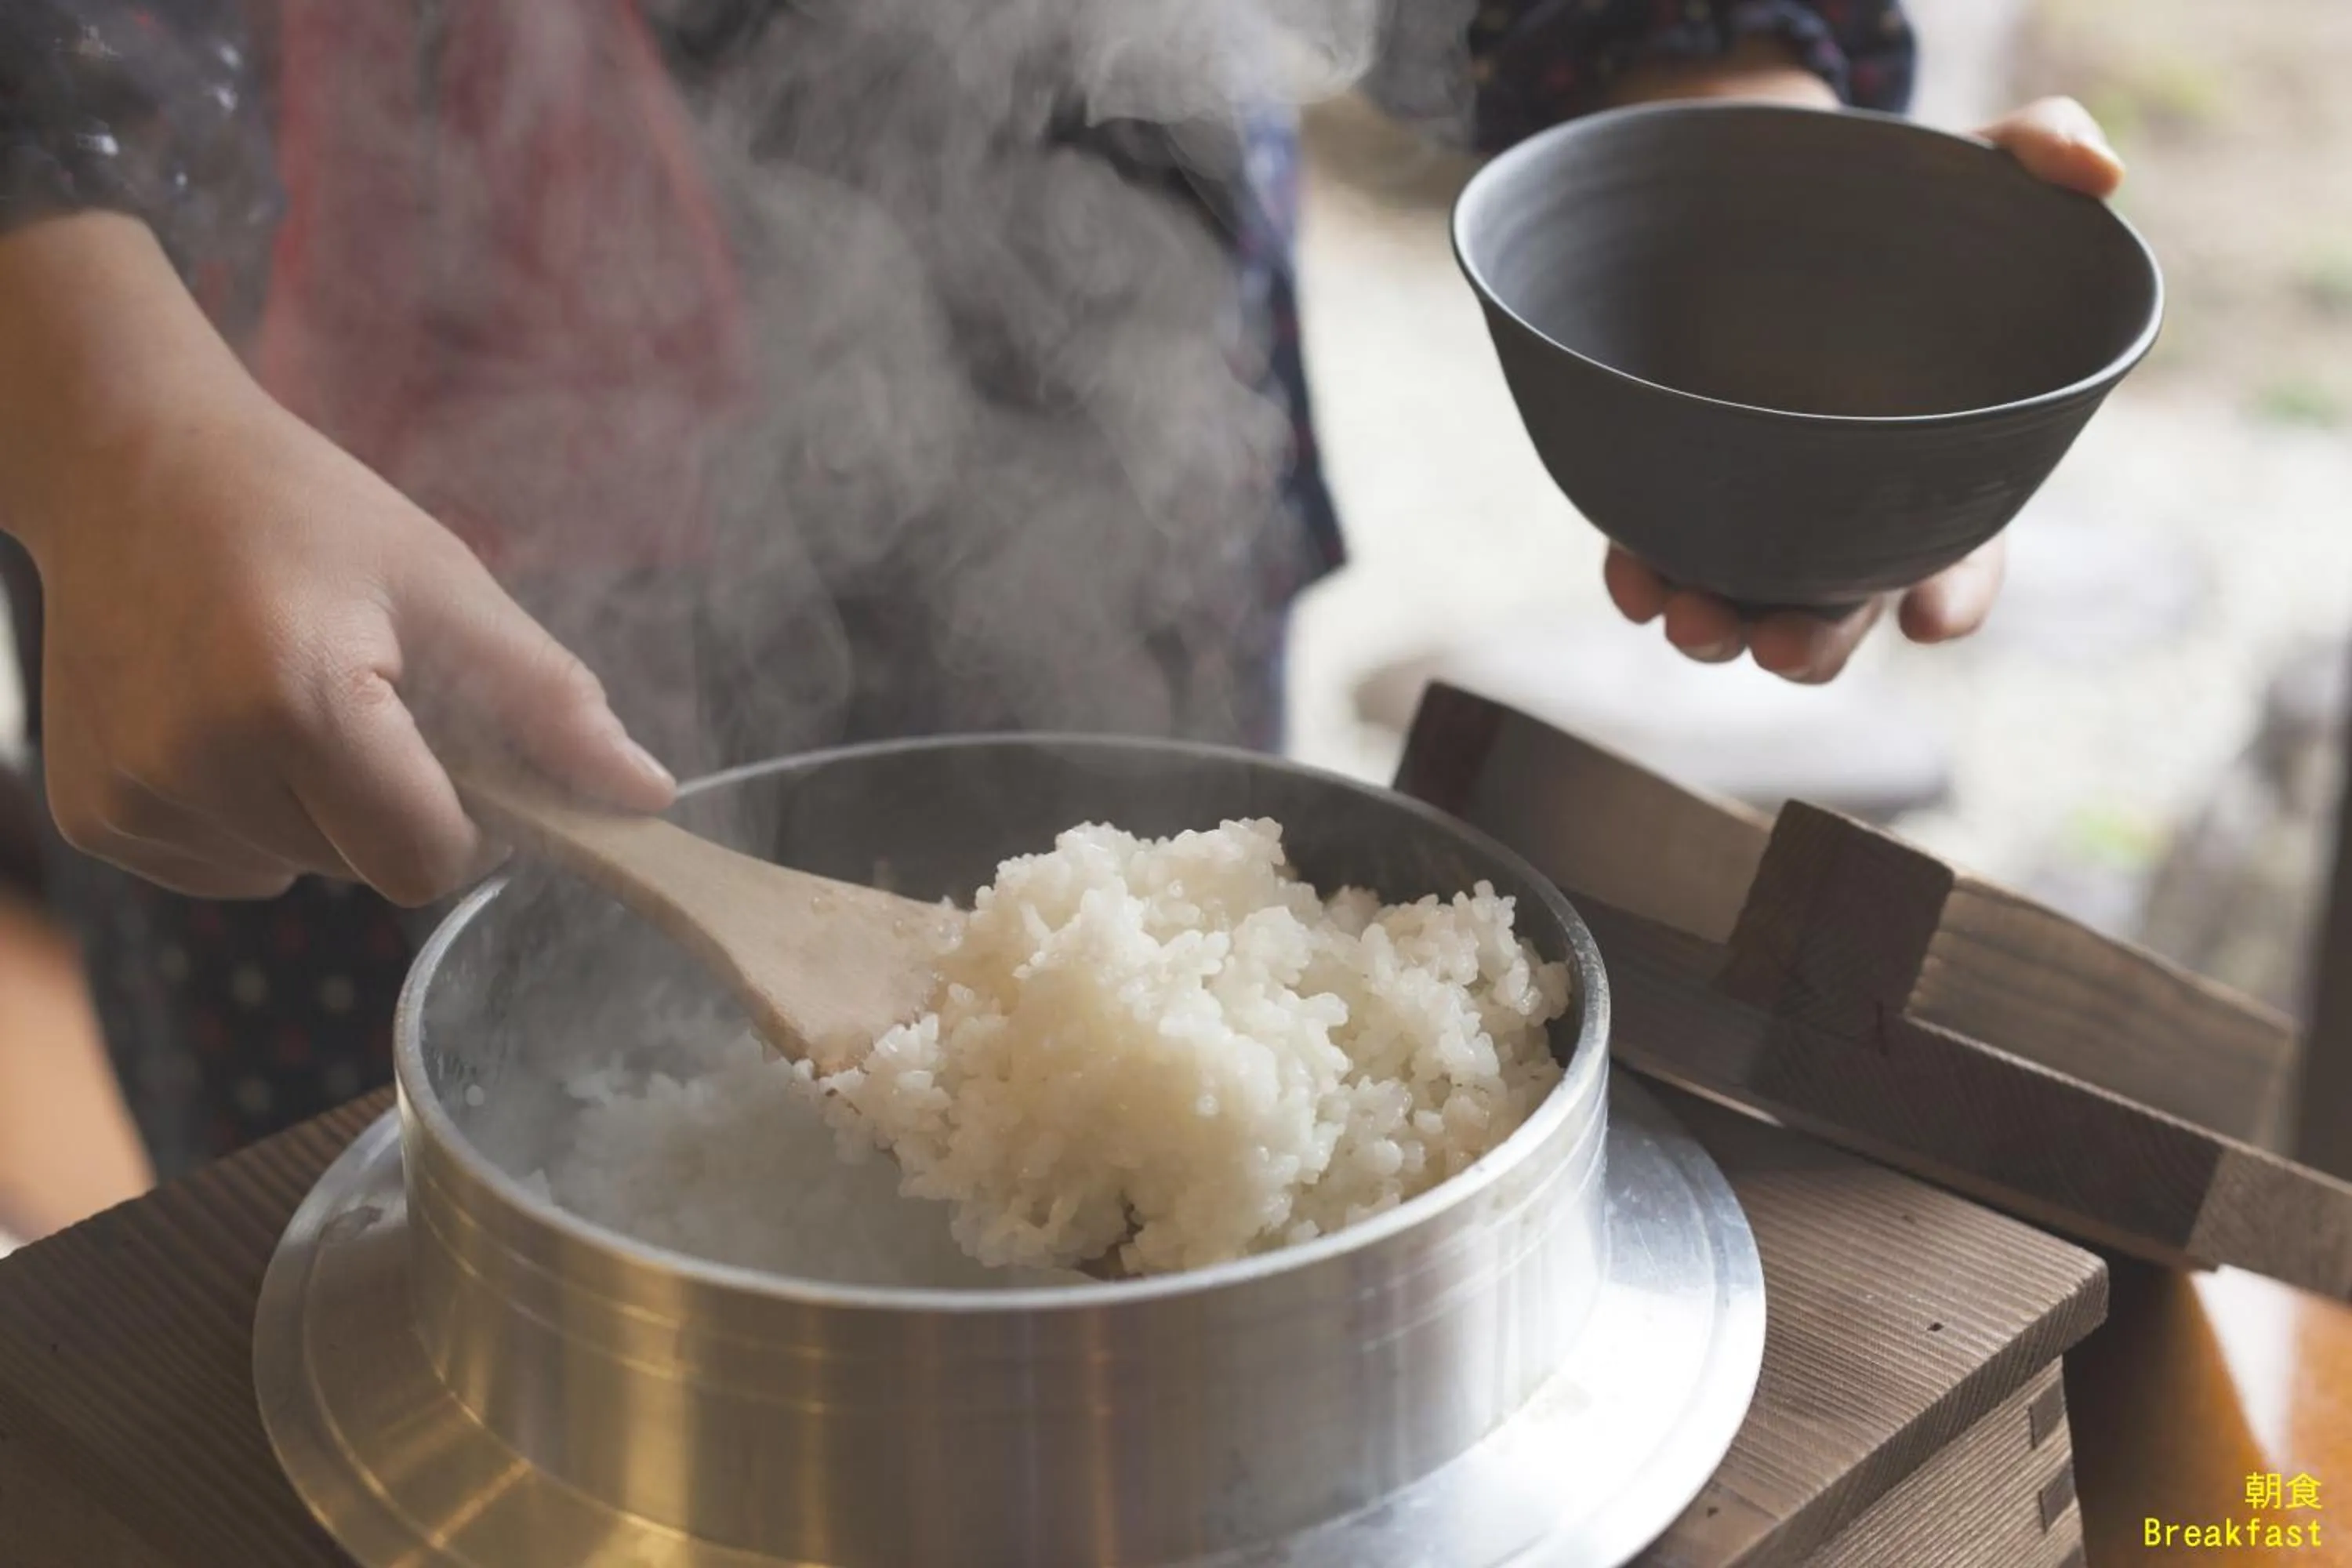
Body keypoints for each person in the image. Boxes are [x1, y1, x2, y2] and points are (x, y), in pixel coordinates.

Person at [0, 0, 2123, 1177]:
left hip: (1111, 360)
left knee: (1158, 1093)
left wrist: (1713, 113)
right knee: (378, 1217)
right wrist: (95, 390)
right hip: (279, 422)